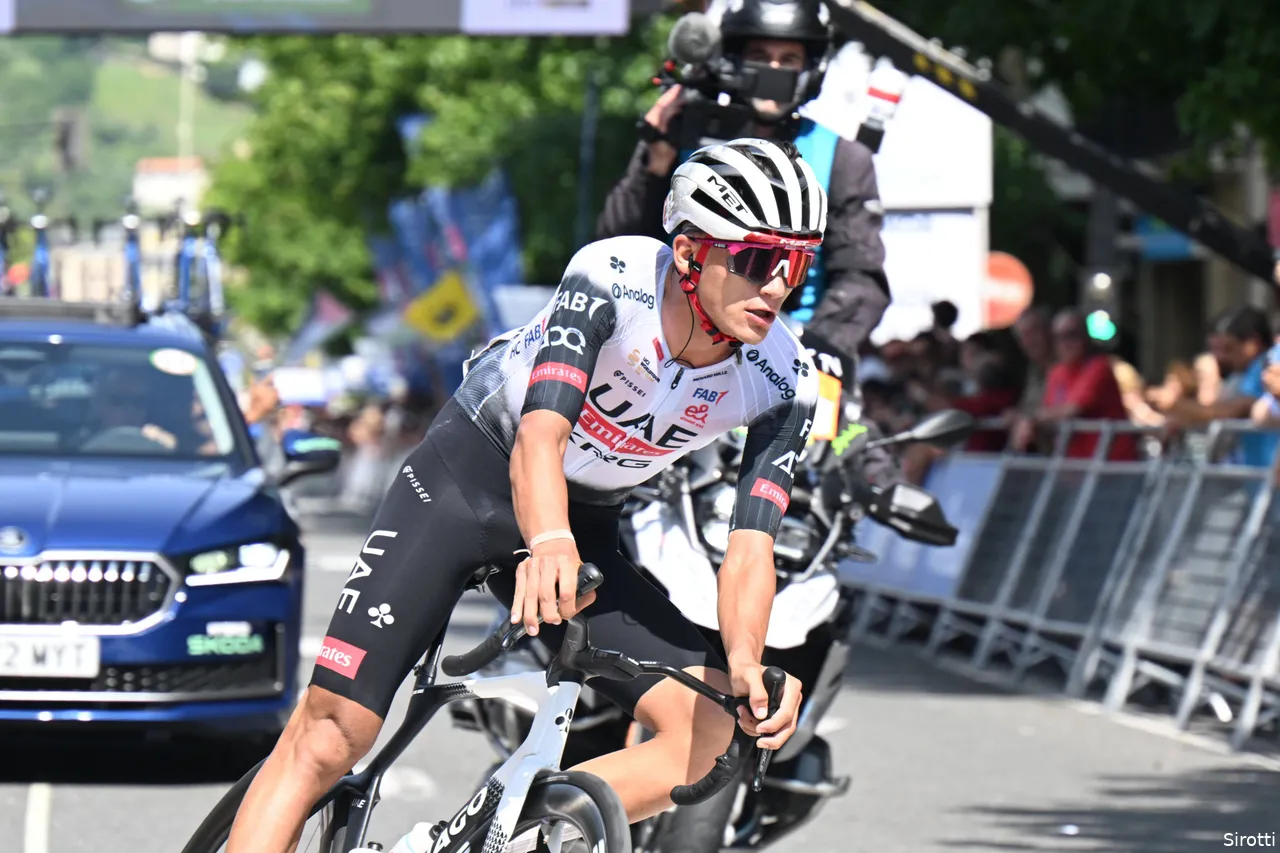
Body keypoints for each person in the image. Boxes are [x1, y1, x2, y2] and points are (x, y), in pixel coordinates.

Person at [224, 137, 823, 853]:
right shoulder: (613, 277)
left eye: (797, 265)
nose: (777, 286)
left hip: (584, 521)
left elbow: (752, 543)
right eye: (757, 259)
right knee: (331, 734)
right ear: (691, 252)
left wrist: (747, 660)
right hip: (468, 480)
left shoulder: (786, 377)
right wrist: (547, 540)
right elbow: (541, 433)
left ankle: (491, 833)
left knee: (713, 733)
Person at [597, 0, 889, 392]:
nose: (773, 70)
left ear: (811, 68)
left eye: (788, 59)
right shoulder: (684, 136)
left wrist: (812, 350)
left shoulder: (842, 156)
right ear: (733, 60)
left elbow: (862, 278)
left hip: (793, 355)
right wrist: (655, 160)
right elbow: (615, 247)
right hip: (670, 353)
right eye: (759, 57)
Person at [1011, 308, 1140, 461]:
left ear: (1085, 337)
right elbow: (1048, 412)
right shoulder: (1056, 373)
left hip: (1111, 464)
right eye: (1058, 337)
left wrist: (1030, 419)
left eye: (1072, 335)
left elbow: (1071, 410)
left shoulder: (1099, 367)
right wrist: (1026, 423)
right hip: (1074, 465)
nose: (1065, 343)